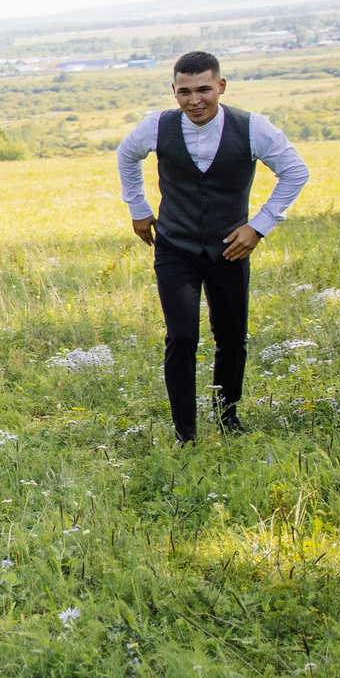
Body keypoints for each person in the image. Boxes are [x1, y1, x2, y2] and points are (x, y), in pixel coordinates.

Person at [117, 50, 310, 442]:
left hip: (230, 248)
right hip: (175, 246)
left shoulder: (254, 128)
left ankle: (228, 420)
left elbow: (296, 172)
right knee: (182, 336)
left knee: (232, 337)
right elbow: (126, 155)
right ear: (174, 91)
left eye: (204, 89)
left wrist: (259, 226)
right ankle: (184, 433)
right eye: (184, 91)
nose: (195, 100)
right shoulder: (156, 126)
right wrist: (138, 207)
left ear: (220, 86)